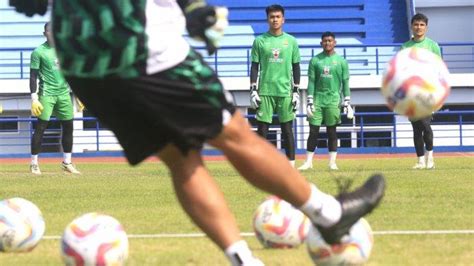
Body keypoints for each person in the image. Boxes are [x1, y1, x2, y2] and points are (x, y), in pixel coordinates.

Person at [11, 1, 385, 265]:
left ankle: (242, 259)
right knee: (234, 133)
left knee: (179, 157)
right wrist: (192, 9)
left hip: (80, 57)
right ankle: (329, 213)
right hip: (138, 41)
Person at [249, 4, 300, 167]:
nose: (275, 19)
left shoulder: (291, 41)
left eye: (278, 16)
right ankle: (259, 165)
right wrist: (253, 90)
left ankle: (291, 166)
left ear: (283, 19)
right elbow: (255, 66)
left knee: (287, 130)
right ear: (267, 19)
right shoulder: (259, 41)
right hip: (265, 91)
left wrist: (296, 91)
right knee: (262, 131)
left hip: (285, 92)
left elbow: (296, 66)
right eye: (272, 17)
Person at [29, 22, 81, 175]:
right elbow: (33, 76)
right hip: (47, 95)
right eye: (49, 31)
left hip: (64, 94)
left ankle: (67, 163)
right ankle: (34, 163)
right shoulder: (38, 52)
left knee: (69, 127)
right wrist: (34, 98)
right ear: (44, 33)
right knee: (41, 128)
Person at [299, 32, 352, 171]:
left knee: (332, 132)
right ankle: (308, 162)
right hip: (317, 99)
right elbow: (311, 81)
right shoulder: (315, 60)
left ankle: (332, 162)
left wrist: (347, 101)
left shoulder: (341, 61)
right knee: (313, 132)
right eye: (325, 41)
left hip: (333, 100)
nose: (327, 43)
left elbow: (345, 82)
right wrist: (309, 100)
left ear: (335, 42)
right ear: (321, 43)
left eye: (330, 40)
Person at [401, 13, 441, 170]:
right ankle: (420, 160)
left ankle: (430, 156)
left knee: (425, 125)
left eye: (421, 25)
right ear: (412, 26)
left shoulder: (432, 46)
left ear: (426, 27)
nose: (419, 27)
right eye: (416, 24)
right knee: (416, 128)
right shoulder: (405, 47)